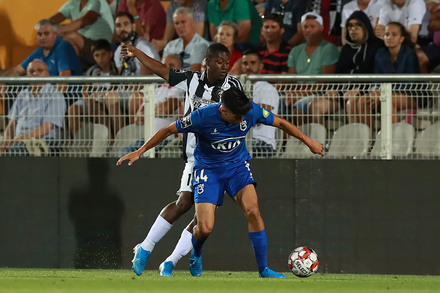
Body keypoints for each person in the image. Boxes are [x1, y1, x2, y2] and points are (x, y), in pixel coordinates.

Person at [117, 87, 324, 277]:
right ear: (224, 111)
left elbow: (279, 122)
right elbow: (169, 130)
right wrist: (141, 151)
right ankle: (196, 253)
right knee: (205, 228)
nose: (243, 119)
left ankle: (263, 269)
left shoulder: (249, 110)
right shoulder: (202, 117)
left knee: (253, 211)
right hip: (208, 170)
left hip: (237, 168)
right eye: (237, 117)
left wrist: (310, 142)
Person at [116, 42, 245, 277]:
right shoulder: (191, 79)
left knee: (202, 219)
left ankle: (170, 261)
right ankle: (145, 247)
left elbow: (242, 114)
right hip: (195, 155)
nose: (224, 67)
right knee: (184, 202)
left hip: (221, 159)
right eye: (219, 62)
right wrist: (137, 53)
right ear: (207, 62)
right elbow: (161, 70)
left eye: (227, 62)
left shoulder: (233, 86)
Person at [308, 10, 384, 125]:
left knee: (351, 102)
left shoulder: (377, 47)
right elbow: (338, 74)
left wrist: (360, 90)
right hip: (342, 94)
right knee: (315, 106)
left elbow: (377, 75)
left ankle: (361, 141)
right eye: (350, 26)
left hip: (364, 93)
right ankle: (321, 142)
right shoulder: (346, 49)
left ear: (366, 27)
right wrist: (332, 89)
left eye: (358, 26)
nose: (353, 29)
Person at [118, 54, 185, 157]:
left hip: (164, 140)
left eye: (171, 65)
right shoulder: (154, 90)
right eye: (164, 65)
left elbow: (165, 109)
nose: (166, 68)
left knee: (143, 156)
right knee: (122, 153)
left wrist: (149, 111)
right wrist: (159, 109)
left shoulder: (179, 89)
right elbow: (138, 118)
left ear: (180, 69)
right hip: (145, 140)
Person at [357, 21, 419, 129]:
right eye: (386, 35)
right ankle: (369, 142)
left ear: (402, 38)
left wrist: (383, 93)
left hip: (412, 96)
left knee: (387, 100)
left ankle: (394, 141)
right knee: (363, 100)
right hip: (384, 93)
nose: (389, 37)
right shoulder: (380, 53)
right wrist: (375, 92)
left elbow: (410, 84)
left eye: (394, 35)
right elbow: (376, 79)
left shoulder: (409, 54)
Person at [108, 12, 160, 136]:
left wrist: (133, 89)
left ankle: (134, 138)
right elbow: (122, 78)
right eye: (118, 25)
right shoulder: (117, 52)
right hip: (129, 90)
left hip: (150, 90)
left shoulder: (143, 46)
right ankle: (120, 137)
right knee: (110, 97)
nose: (122, 28)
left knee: (135, 97)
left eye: (126, 24)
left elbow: (147, 80)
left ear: (133, 26)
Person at [0, 60, 66, 156]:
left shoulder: (55, 95)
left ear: (47, 74)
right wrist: (7, 141)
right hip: (18, 141)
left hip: (44, 142)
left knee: (14, 152)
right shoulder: (22, 95)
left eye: (40, 70)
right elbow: (12, 124)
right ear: (27, 75)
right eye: (31, 71)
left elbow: (45, 129)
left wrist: (17, 140)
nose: (35, 74)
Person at [284, 12, 339, 123]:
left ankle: (306, 139)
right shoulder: (295, 50)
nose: (308, 30)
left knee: (299, 109)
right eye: (305, 27)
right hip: (298, 91)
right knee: (276, 104)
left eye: (312, 26)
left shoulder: (329, 49)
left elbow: (324, 82)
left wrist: (300, 95)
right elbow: (291, 79)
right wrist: (293, 94)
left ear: (322, 27)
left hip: (320, 93)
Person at [69, 39, 118, 137]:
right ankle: (78, 139)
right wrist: (89, 100)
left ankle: (109, 138)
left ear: (111, 54)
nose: (100, 58)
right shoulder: (91, 71)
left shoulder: (116, 70)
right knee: (73, 109)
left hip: (107, 100)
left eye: (103, 54)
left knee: (97, 106)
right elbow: (85, 91)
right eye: (97, 55)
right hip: (91, 100)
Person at [3, 19, 82, 77]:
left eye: (46, 34)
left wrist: (56, 97)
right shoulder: (39, 51)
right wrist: (3, 82)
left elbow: (64, 76)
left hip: (65, 98)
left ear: (55, 34)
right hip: (42, 96)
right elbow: (17, 70)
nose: (42, 37)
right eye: (39, 34)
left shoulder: (63, 46)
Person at [49, 0, 114, 70]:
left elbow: (85, 21)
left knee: (70, 37)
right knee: (69, 45)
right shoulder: (72, 4)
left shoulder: (96, 2)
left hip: (101, 44)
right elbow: (51, 21)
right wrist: (48, 27)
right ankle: (72, 72)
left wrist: (60, 30)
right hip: (85, 44)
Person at [241, 49, 280, 157]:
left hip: (263, 144)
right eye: (245, 63)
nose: (248, 67)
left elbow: (258, 118)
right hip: (242, 140)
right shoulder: (238, 88)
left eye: (252, 63)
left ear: (260, 66)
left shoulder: (267, 88)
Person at [162, 7, 211, 71]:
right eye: (177, 23)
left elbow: (195, 73)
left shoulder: (202, 45)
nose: (179, 26)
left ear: (193, 22)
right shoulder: (170, 46)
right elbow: (162, 69)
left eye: (183, 22)